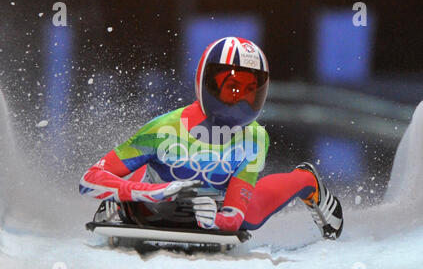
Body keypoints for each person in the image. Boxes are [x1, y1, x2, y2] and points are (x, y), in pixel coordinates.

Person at [80, 37, 343, 239]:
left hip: (215, 203)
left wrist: (217, 221)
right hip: (155, 195)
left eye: (251, 91)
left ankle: (306, 180)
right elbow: (89, 180)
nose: (242, 100)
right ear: (205, 84)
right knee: (140, 200)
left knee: (250, 217)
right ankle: (120, 203)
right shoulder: (163, 130)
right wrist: (154, 192)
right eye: (233, 88)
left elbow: (235, 214)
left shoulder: (254, 138)